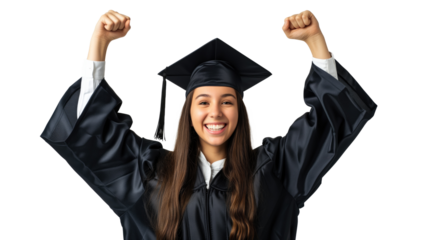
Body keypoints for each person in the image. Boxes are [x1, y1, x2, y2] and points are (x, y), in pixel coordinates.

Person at [39, 8, 377, 240]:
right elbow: (86, 132)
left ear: (241, 113)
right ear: (187, 113)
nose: (215, 113)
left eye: (227, 102)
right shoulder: (146, 174)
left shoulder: (277, 171)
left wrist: (316, 41)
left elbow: (332, 123)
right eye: (203, 102)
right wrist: (98, 46)